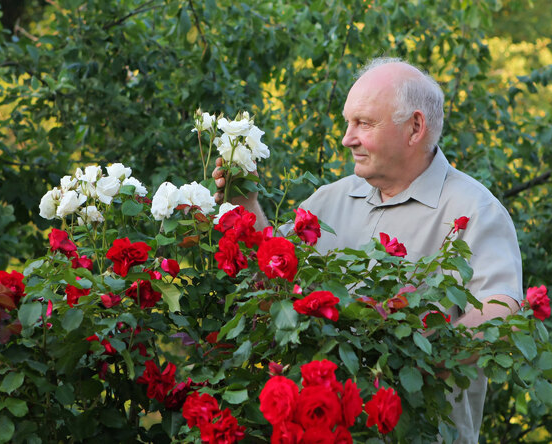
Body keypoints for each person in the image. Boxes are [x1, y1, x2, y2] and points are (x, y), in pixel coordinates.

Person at [214, 57, 523, 443]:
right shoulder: (329, 200)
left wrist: (417, 365)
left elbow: (503, 310)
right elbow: (274, 274)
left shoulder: (474, 210)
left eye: (364, 123)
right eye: (348, 122)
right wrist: (246, 204)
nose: (347, 138)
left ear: (414, 128)